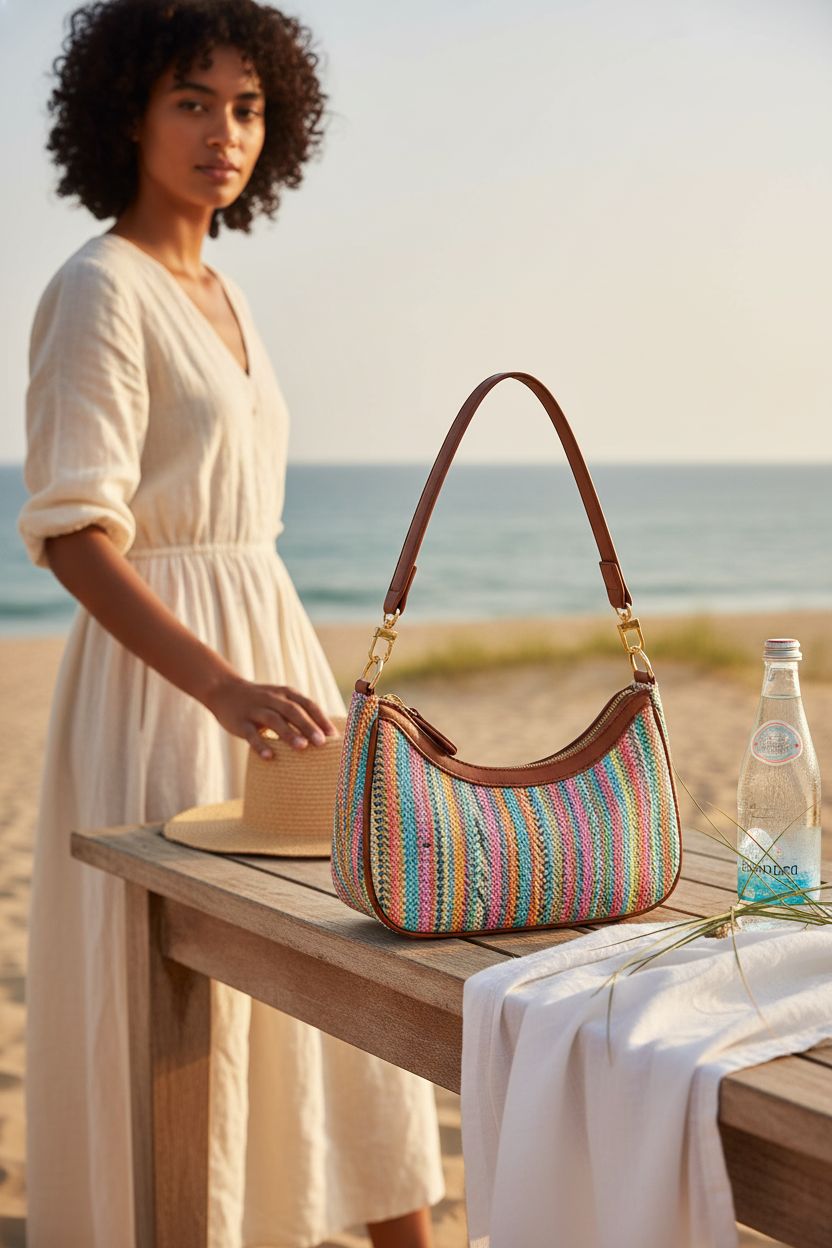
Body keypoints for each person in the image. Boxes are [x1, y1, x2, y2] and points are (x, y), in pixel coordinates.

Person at [17, 2, 445, 1245]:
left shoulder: (223, 293)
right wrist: (216, 685)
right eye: (191, 101)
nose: (223, 132)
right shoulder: (99, 289)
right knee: (186, 1010)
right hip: (169, 688)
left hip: (267, 650)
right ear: (127, 116)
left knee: (340, 995)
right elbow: (72, 536)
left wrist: (281, 670)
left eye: (247, 106)